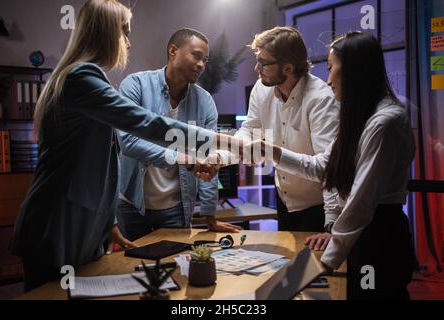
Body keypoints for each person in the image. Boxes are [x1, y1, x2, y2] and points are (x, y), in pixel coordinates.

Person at [10, 0, 216, 292]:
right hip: (57, 224)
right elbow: (145, 124)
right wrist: (216, 139)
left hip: (83, 225)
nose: (129, 44)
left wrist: (108, 223)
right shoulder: (82, 78)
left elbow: (103, 161)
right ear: (106, 34)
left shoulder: (86, 77)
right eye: (125, 33)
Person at [252, 32, 416, 299]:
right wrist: (271, 152)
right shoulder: (362, 116)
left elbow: (361, 203)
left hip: (379, 238)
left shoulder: (385, 122)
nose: (328, 80)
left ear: (353, 71)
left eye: (331, 69)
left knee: (373, 294)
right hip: (360, 235)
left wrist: (326, 259)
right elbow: (323, 168)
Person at [117, 28, 241, 240]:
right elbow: (129, 142)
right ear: (173, 51)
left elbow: (207, 157)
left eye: (205, 60)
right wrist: (182, 159)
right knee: (133, 270)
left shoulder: (205, 102)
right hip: (132, 204)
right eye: (196, 55)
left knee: (176, 269)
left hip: (176, 208)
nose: (202, 65)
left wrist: (210, 215)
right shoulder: (135, 85)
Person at [214, 26, 340, 232]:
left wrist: (273, 152)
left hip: (320, 207)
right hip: (283, 200)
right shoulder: (261, 88)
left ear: (288, 69)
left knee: (314, 264)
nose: (257, 69)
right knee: (289, 263)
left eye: (263, 64)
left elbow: (326, 169)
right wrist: (218, 159)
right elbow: (250, 132)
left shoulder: (321, 99)